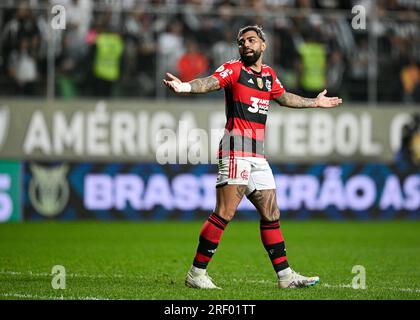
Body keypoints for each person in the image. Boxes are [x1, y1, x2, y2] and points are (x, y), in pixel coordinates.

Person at [163, 25, 342, 289]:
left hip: (257, 154)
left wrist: (314, 102)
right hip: (236, 148)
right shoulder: (234, 69)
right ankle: (196, 274)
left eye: (251, 40)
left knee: (271, 213)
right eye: (241, 42)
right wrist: (186, 87)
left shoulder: (269, 75)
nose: (245, 45)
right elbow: (210, 82)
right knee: (224, 212)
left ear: (263, 45)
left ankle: (285, 277)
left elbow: (284, 98)